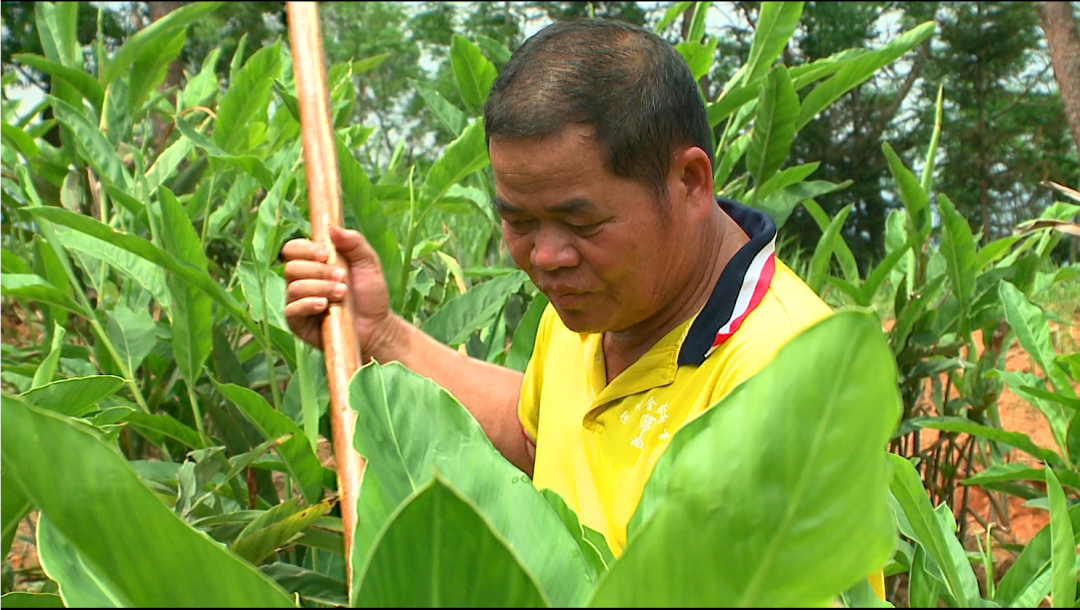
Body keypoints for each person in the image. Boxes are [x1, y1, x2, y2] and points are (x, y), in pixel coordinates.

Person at [283, 17, 885, 600]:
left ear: (690, 182)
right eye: (518, 220)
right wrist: (378, 332)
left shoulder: (785, 379)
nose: (545, 256)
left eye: (581, 221)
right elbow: (537, 439)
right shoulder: (596, 304)